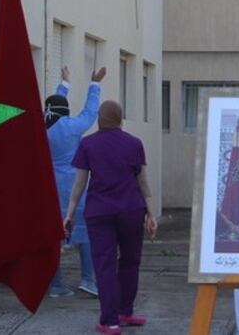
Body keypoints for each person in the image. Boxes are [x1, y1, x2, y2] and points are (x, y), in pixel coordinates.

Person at [65, 101, 158, 335]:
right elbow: (143, 182)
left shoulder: (88, 144)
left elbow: (79, 183)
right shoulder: (134, 144)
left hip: (100, 212)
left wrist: (69, 213)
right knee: (130, 260)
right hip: (131, 210)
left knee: (104, 265)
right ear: (120, 119)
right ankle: (126, 311)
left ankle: (110, 321)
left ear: (99, 119)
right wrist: (151, 213)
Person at [46, 65, 107, 298]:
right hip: (74, 189)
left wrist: (64, 84)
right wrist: (95, 84)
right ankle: (88, 279)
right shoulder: (69, 127)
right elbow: (89, 114)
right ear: (65, 111)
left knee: (53, 238)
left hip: (49, 189)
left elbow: (54, 104)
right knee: (85, 232)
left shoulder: (43, 126)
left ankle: (56, 284)